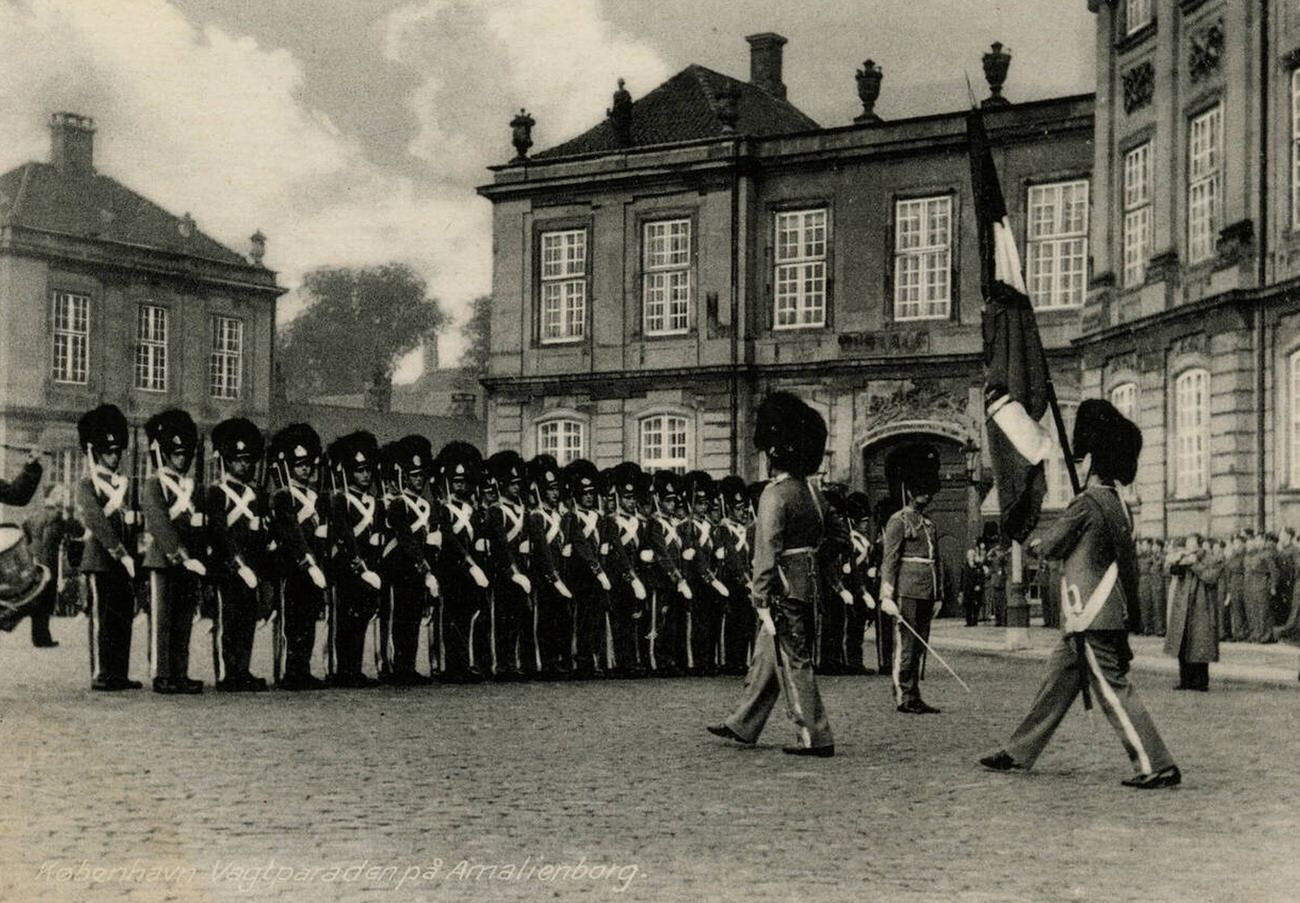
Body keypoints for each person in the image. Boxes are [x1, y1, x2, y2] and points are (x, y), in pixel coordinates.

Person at [980, 399, 1180, 789]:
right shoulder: (1116, 502)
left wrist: (1030, 541)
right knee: (1055, 685)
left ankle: (1156, 763)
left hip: (1089, 612)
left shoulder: (1088, 503)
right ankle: (1019, 750)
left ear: (1090, 460)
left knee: (1113, 690)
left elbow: (1052, 545)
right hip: (1098, 612)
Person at [709, 391, 835, 757]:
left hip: (782, 588)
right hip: (808, 585)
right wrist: (811, 562)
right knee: (768, 653)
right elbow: (838, 537)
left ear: (773, 455)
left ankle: (815, 736)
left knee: (793, 659)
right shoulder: (813, 493)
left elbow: (767, 549)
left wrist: (761, 595)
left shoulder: (774, 494)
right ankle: (743, 723)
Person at [140, 408, 208, 695]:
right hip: (164, 560)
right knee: (162, 621)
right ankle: (162, 674)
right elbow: (159, 523)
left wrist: (198, 556)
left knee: (183, 621)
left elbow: (200, 526)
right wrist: (181, 556)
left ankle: (180, 672)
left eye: (185, 454)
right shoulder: (155, 483)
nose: (182, 459)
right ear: (166, 454)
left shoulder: (193, 487)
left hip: (190, 562)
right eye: (176, 454)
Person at [75, 405, 140, 691]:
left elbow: (131, 522)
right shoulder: (87, 484)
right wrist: (120, 552)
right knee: (102, 617)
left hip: (125, 560)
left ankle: (119, 672)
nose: (114, 457)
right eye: (108, 452)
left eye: (116, 452)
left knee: (122, 617)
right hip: (101, 559)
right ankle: (102, 673)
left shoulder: (123, 484)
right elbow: (96, 521)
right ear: (96, 452)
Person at [206, 418, 270, 692]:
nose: (244, 465)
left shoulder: (255, 493)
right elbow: (219, 532)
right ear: (227, 461)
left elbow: (261, 534)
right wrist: (238, 563)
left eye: (247, 460)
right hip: (227, 568)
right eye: (238, 460)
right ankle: (226, 673)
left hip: (251, 568)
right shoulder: (217, 492)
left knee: (246, 621)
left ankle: (242, 669)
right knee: (227, 620)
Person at [267, 422, 329, 690]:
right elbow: (291, 532)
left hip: (314, 567)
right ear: (290, 467)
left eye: (307, 464)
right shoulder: (283, 496)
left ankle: (302, 669)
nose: (305, 469)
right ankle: (288, 671)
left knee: (308, 620)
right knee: (291, 622)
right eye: (299, 464)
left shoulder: (315, 495)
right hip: (292, 566)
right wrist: (308, 562)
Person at [325, 431, 385, 688]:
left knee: (361, 619)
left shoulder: (375, 502)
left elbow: (378, 536)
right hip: (348, 568)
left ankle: (355, 668)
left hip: (369, 568)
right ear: (349, 472)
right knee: (345, 620)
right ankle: (343, 670)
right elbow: (345, 535)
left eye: (368, 470)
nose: (366, 475)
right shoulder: (341, 499)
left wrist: (373, 566)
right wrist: (360, 565)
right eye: (360, 471)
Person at [382, 436, 439, 684]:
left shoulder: (426, 505)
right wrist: (424, 567)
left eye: (421, 476)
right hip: (400, 567)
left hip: (417, 569)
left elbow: (425, 539)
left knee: (414, 618)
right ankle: (398, 668)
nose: (418, 480)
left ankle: (410, 665)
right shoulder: (398, 504)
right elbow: (405, 538)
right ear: (405, 477)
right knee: (401, 618)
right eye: (414, 476)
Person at [435, 441, 492, 681]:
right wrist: (470, 563)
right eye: (456, 482)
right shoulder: (444, 510)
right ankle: (453, 666)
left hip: (470, 571)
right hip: (452, 570)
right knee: (452, 618)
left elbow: (477, 537)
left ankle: (466, 663)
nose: (461, 486)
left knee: (468, 616)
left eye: (464, 482)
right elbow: (449, 539)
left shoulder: (472, 510)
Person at [22, 484, 79, 647]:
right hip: (50, 563)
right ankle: (42, 638)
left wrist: (31, 553)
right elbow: (78, 531)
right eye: (60, 494)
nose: (63, 497)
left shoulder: (33, 515)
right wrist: (70, 515)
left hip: (34, 562)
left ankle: (39, 636)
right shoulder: (59, 516)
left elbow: (25, 535)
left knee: (38, 599)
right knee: (47, 600)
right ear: (52, 495)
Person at [1164, 533, 1221, 692]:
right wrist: (1177, 562)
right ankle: (1185, 680)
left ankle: (1201, 682)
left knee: (1199, 646)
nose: (1188, 547)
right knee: (1183, 644)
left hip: (1200, 609)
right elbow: (1169, 571)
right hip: (1183, 609)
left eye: (1191, 543)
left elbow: (1211, 577)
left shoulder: (1210, 558)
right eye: (1187, 543)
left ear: (1199, 545)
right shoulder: (1184, 557)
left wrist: (1195, 564)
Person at [961, 547, 983, 627]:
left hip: (975, 589)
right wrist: (961, 590)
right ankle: (968, 621)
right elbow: (962, 578)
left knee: (976, 604)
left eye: (973, 555)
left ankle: (975, 620)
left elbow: (981, 576)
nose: (971, 556)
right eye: (970, 555)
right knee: (967, 605)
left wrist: (979, 585)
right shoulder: (964, 566)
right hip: (967, 588)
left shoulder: (978, 566)